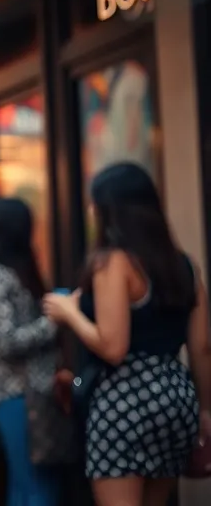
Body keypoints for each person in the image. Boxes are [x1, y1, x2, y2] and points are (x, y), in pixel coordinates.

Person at [43, 162, 211, 506]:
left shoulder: (113, 262)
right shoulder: (186, 266)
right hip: (176, 399)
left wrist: (70, 313)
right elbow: (203, 347)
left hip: (122, 399)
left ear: (107, 211)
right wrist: (206, 410)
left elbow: (113, 346)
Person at [0, 198, 61, 506]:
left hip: (33, 393)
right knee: (32, 484)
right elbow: (5, 341)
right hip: (16, 393)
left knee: (31, 484)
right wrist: (55, 322)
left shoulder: (11, 272)